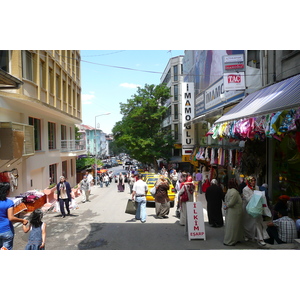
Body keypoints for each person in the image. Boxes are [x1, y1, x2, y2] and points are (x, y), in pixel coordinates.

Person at [0, 182, 28, 250]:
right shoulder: (9, 202)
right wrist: (22, 220)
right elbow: (11, 218)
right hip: (6, 230)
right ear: (6, 191)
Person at [242, 176, 267, 246]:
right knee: (248, 223)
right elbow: (247, 199)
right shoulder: (245, 189)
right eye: (252, 181)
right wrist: (254, 194)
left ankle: (260, 239)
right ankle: (247, 235)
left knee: (257, 223)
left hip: (256, 208)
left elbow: (259, 196)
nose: (253, 182)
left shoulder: (257, 187)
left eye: (254, 180)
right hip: (248, 209)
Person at [223, 179, 244, 246]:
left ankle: (235, 239)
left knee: (233, 226)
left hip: (231, 212)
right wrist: (227, 205)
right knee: (233, 227)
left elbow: (226, 200)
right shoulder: (235, 192)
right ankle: (230, 241)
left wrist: (225, 206)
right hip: (235, 212)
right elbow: (231, 203)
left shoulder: (229, 191)